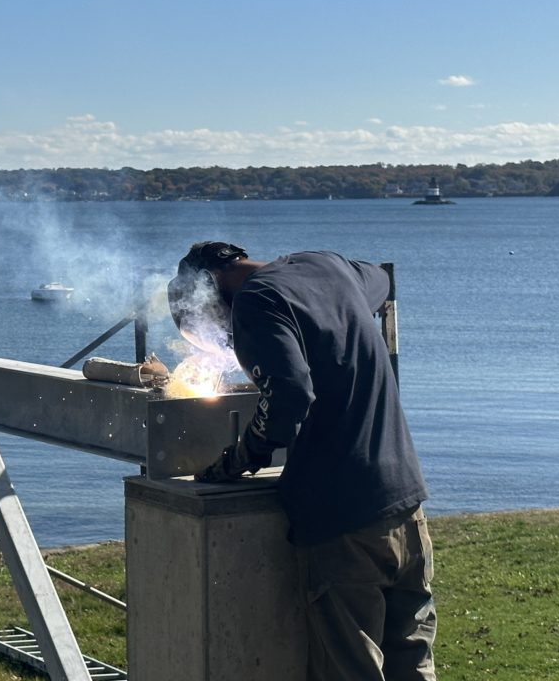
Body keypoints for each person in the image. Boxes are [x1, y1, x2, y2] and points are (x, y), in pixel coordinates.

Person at [167, 241, 437, 681]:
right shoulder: (327, 267)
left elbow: (290, 395)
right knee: (413, 664)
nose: (228, 336)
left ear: (211, 283)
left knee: (352, 669)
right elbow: (381, 281)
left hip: (341, 517)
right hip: (405, 501)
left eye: (217, 327)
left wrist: (237, 459)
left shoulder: (255, 300)